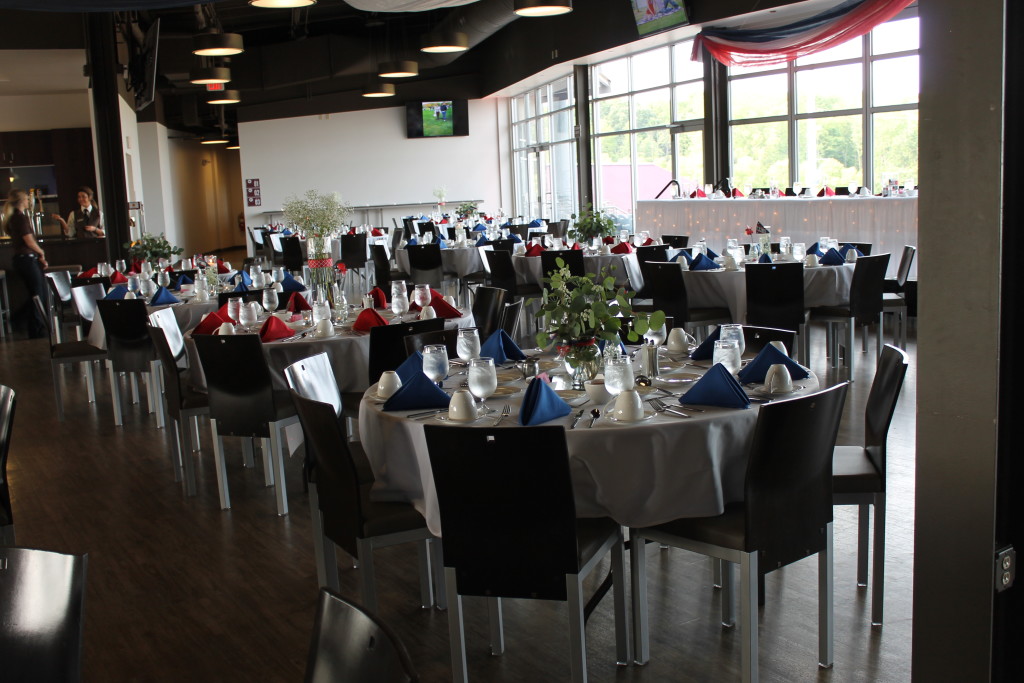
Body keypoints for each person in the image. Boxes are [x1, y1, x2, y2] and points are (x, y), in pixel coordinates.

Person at [2, 189, 49, 338]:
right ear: (22, 201)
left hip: (22, 260)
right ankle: (26, 324)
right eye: (27, 199)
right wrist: (41, 252)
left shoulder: (14, 218)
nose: (29, 201)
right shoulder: (20, 218)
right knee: (38, 293)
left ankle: (29, 325)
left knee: (36, 294)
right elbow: (28, 240)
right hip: (26, 260)